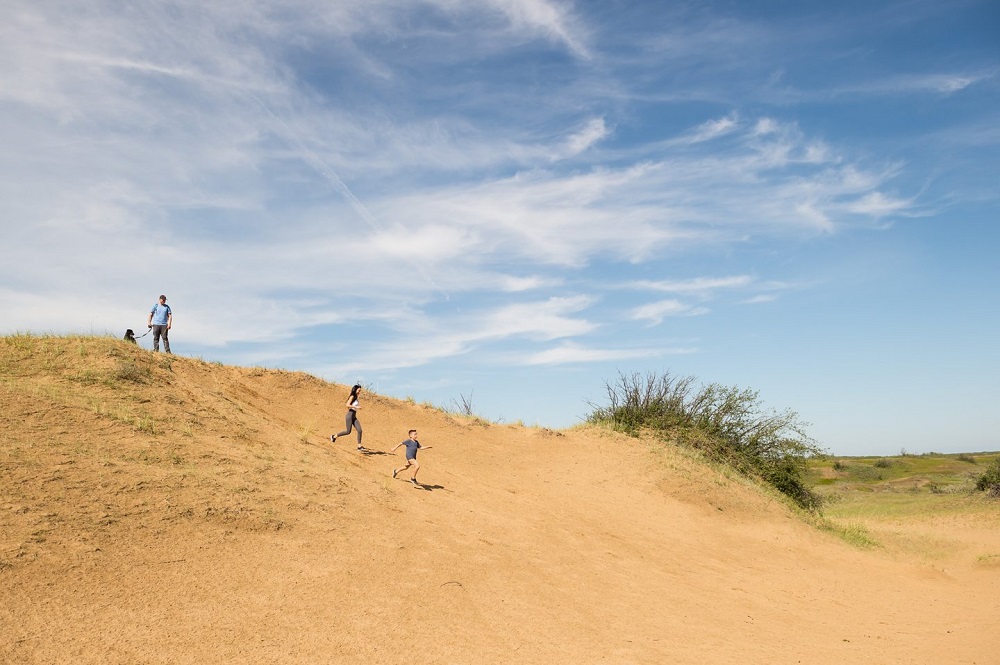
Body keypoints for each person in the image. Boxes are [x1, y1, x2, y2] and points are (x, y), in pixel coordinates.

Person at [331, 384, 364, 450]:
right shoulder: (352, 396)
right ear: (355, 390)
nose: (359, 392)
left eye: (360, 390)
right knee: (348, 431)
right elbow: (347, 405)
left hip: (354, 416)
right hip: (349, 415)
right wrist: (356, 407)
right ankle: (334, 436)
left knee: (360, 430)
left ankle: (359, 446)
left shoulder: (356, 397)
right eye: (359, 390)